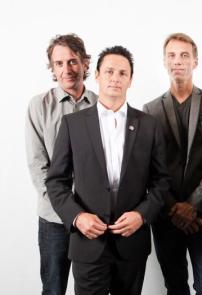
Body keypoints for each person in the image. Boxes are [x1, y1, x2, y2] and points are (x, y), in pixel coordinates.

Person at [45, 45, 170, 295]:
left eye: (123, 73)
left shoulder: (149, 125)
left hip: (132, 241)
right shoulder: (72, 124)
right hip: (87, 241)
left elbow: (161, 182)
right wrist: (77, 217)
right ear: (98, 76)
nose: (115, 78)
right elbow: (56, 181)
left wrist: (142, 215)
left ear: (131, 80)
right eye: (110, 71)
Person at [143, 33, 202, 295]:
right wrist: (174, 208)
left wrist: (192, 206)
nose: (177, 61)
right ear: (164, 62)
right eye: (171, 55)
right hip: (166, 214)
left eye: (184, 55)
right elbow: (150, 166)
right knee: (175, 286)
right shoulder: (150, 110)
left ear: (195, 61)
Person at [25, 34, 97, 295]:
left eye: (73, 61)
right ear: (52, 68)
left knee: (90, 288)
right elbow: (38, 166)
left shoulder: (102, 105)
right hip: (54, 218)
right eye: (59, 63)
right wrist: (70, 212)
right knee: (54, 288)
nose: (66, 69)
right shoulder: (39, 106)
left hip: (94, 217)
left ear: (86, 63)